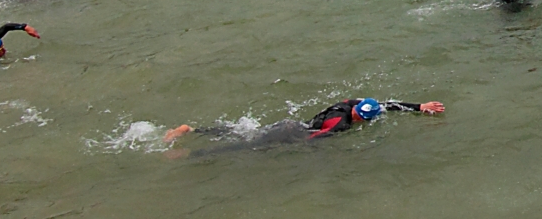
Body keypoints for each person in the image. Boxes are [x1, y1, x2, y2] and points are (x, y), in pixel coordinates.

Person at [161, 97, 444, 153]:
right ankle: (194, 150)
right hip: (292, 132)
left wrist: (419, 107)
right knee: (244, 146)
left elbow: (388, 105)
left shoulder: (351, 103)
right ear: (359, 115)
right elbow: (315, 139)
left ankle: (195, 130)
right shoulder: (342, 125)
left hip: (291, 122)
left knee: (242, 130)